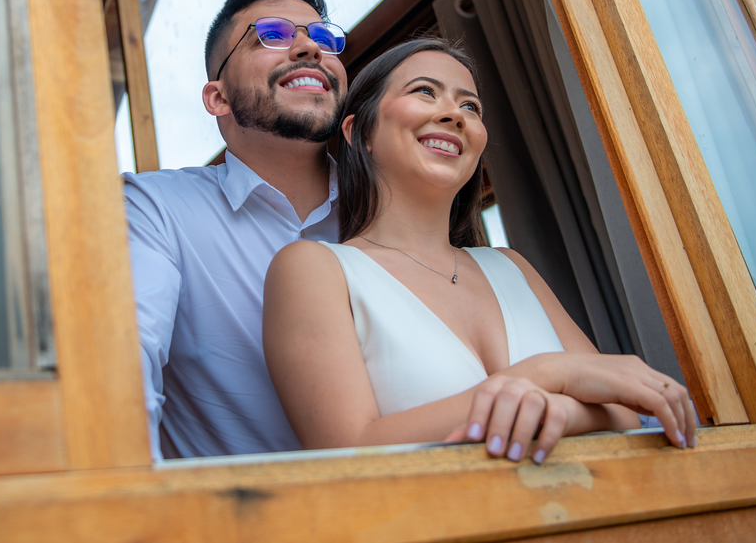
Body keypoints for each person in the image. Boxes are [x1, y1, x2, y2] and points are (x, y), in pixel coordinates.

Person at [263, 38, 697, 463]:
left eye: (470, 106)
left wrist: (558, 411)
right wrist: (548, 374)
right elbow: (348, 450)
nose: (454, 114)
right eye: (425, 92)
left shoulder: (510, 266)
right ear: (360, 132)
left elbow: (625, 406)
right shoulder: (313, 268)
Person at [124, 0, 348, 459]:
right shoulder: (155, 208)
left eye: (324, 38)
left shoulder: (386, 209)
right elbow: (124, 367)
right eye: (273, 34)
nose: (310, 48)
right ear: (218, 98)